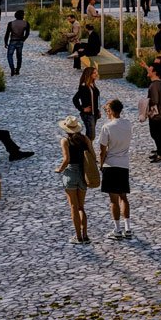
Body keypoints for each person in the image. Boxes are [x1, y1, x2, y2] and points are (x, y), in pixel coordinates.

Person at [97, 98, 133, 239]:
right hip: (124, 164)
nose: (106, 112)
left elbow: (102, 150)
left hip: (111, 165)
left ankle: (117, 230)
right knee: (124, 197)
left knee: (113, 200)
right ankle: (128, 228)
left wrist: (101, 165)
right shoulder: (128, 124)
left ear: (111, 111)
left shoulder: (107, 127)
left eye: (107, 110)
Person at [56, 115, 92, 245]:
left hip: (71, 174)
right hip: (83, 174)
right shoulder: (85, 139)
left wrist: (59, 170)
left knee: (73, 207)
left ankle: (78, 237)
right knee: (81, 207)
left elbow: (66, 159)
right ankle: (86, 236)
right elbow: (92, 154)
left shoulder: (65, 141)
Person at [141, 62, 161, 162]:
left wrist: (145, 104)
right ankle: (160, 151)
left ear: (155, 72)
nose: (148, 69)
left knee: (155, 133)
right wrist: (145, 66)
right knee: (160, 133)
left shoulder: (155, 85)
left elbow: (155, 100)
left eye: (150, 68)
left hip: (156, 114)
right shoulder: (159, 82)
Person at [72, 64, 102, 141]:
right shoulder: (84, 86)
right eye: (94, 73)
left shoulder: (93, 85)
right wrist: (82, 109)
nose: (96, 74)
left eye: (96, 72)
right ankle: (86, 150)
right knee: (91, 136)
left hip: (94, 113)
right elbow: (75, 99)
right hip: (88, 115)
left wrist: (98, 110)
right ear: (89, 74)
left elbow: (96, 99)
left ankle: (88, 150)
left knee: (90, 135)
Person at [5, 10, 30, 76]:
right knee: (19, 56)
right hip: (20, 41)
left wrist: (5, 42)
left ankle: (12, 69)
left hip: (12, 41)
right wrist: (23, 39)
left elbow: (7, 34)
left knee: (9, 55)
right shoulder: (26, 23)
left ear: (15, 15)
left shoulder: (11, 23)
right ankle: (18, 70)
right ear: (23, 16)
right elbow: (27, 33)